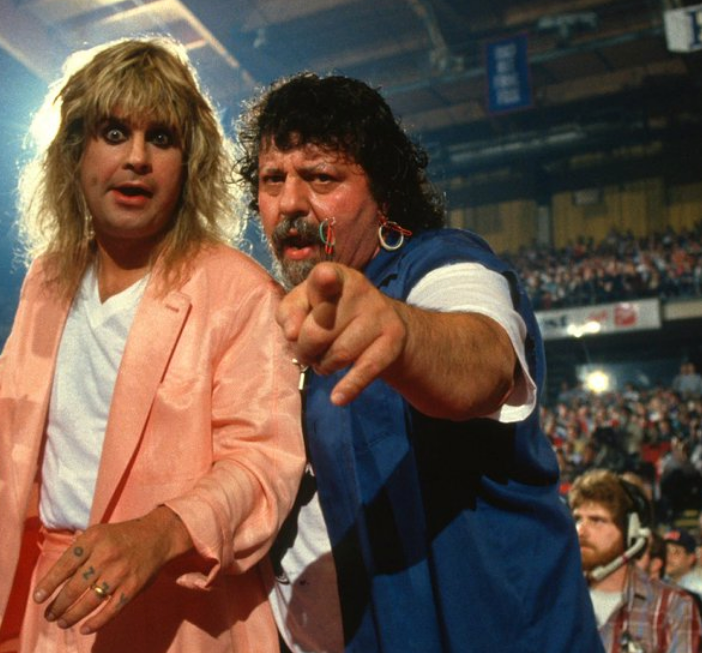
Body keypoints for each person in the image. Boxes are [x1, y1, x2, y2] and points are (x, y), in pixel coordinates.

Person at [0, 37, 304, 653]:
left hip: (181, 610)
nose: (136, 158)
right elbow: (7, 415)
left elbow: (262, 464)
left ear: (191, 165)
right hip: (51, 602)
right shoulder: (49, 281)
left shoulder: (237, 290)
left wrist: (159, 533)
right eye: (113, 133)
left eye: (161, 139)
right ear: (75, 153)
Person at [236, 72, 602, 652]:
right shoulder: (282, 319)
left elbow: (484, 359)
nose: (290, 203)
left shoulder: (440, 263)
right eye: (271, 179)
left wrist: (401, 333)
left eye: (322, 178)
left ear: (384, 193)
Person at [569, 469, 701, 652]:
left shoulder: (672, 606)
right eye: (577, 519)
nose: (581, 530)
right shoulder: (554, 599)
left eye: (597, 520)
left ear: (631, 531)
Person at [664, 529, 702, 597]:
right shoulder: (660, 582)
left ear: (690, 558)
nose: (667, 556)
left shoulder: (698, 588)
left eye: (675, 552)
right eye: (665, 550)